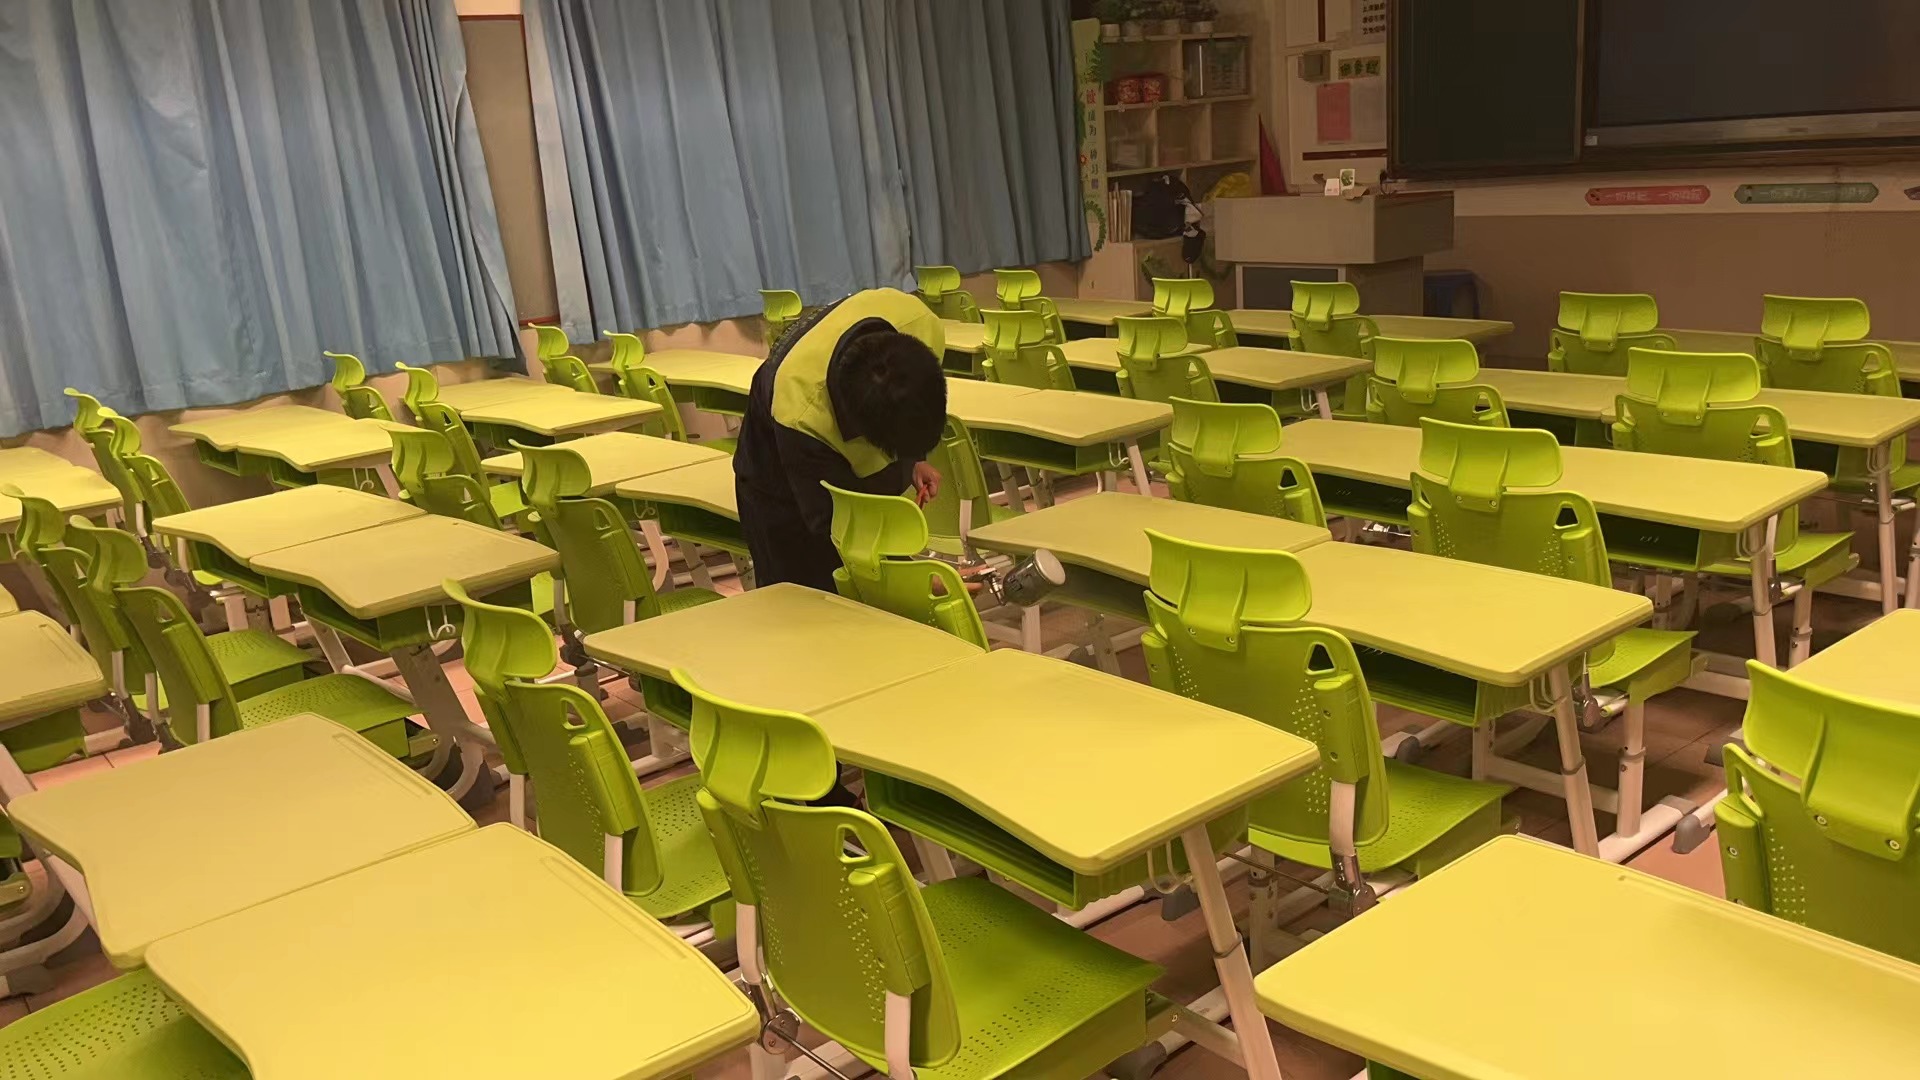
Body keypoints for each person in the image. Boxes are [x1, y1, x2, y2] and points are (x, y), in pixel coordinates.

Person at [734, 287, 949, 591]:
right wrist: (921, 583)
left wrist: (914, 460)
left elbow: (913, 400)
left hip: (824, 438)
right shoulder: (802, 415)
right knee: (808, 597)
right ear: (856, 424)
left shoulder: (921, 324)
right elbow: (841, 530)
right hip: (775, 480)